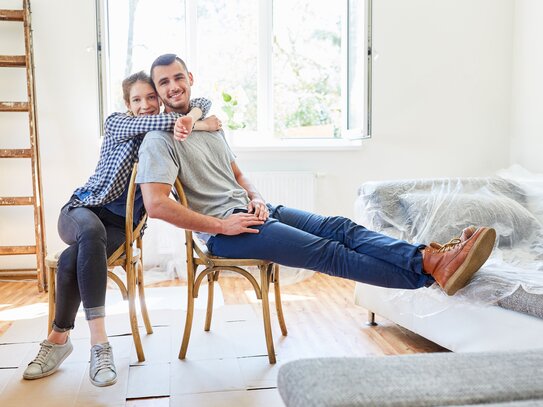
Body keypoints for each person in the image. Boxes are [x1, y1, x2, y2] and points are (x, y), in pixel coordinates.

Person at [136, 54, 496, 301]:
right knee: (328, 253)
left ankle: (430, 261)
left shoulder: (206, 124)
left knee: (341, 228)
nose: (173, 87)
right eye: (163, 82)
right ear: (156, 90)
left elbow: (238, 173)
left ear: (190, 79)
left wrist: (257, 197)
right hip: (226, 233)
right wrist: (220, 226)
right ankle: (431, 269)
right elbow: (156, 206)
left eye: (178, 77)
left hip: (255, 212)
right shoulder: (158, 140)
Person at [23, 71, 220, 386]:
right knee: (89, 234)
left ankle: (57, 340)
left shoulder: (163, 138)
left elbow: (201, 102)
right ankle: (100, 344)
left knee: (72, 258)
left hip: (120, 226)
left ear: (159, 98)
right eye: (137, 100)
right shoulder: (118, 123)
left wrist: (193, 118)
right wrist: (200, 123)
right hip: (83, 210)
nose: (144, 105)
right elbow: (172, 119)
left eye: (151, 97)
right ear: (127, 104)